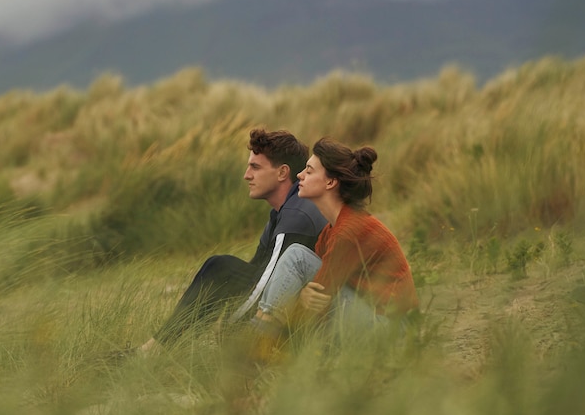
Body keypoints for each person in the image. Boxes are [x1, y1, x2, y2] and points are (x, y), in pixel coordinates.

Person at [133, 129, 327, 355]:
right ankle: (165, 348)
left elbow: (269, 286)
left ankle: (156, 351)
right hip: (292, 314)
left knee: (221, 268)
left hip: (313, 322)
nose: (246, 175)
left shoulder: (297, 214)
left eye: (255, 167)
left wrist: (230, 330)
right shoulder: (281, 214)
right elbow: (256, 271)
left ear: (282, 172)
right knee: (223, 270)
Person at [248, 136, 419, 357]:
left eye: (309, 171)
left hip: (392, 332)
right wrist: (303, 296)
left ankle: (259, 341)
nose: (299, 175)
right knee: (299, 259)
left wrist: (301, 298)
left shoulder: (348, 232)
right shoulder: (332, 229)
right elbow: (317, 293)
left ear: (330, 182)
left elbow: (318, 300)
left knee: (297, 257)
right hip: (371, 319)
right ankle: (262, 338)